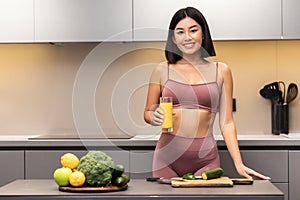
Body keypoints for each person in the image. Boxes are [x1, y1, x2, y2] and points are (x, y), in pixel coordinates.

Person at [144, 6, 270, 180]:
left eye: (193, 30)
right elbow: (148, 113)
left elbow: (227, 123)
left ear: (203, 33)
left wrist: (239, 164)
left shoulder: (221, 70)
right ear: (173, 38)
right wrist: (154, 116)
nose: (187, 37)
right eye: (180, 32)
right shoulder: (161, 70)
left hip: (205, 161)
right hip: (167, 159)